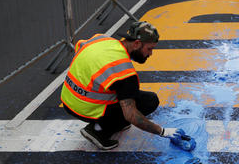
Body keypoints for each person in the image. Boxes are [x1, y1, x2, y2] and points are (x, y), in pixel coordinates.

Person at [60, 21, 187, 150]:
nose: (150, 54)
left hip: (68, 100)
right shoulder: (124, 73)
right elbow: (131, 115)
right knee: (149, 101)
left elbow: (80, 48)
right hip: (85, 109)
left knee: (126, 92)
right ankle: (98, 130)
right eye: (149, 49)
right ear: (137, 44)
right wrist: (162, 131)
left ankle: (113, 122)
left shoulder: (101, 39)